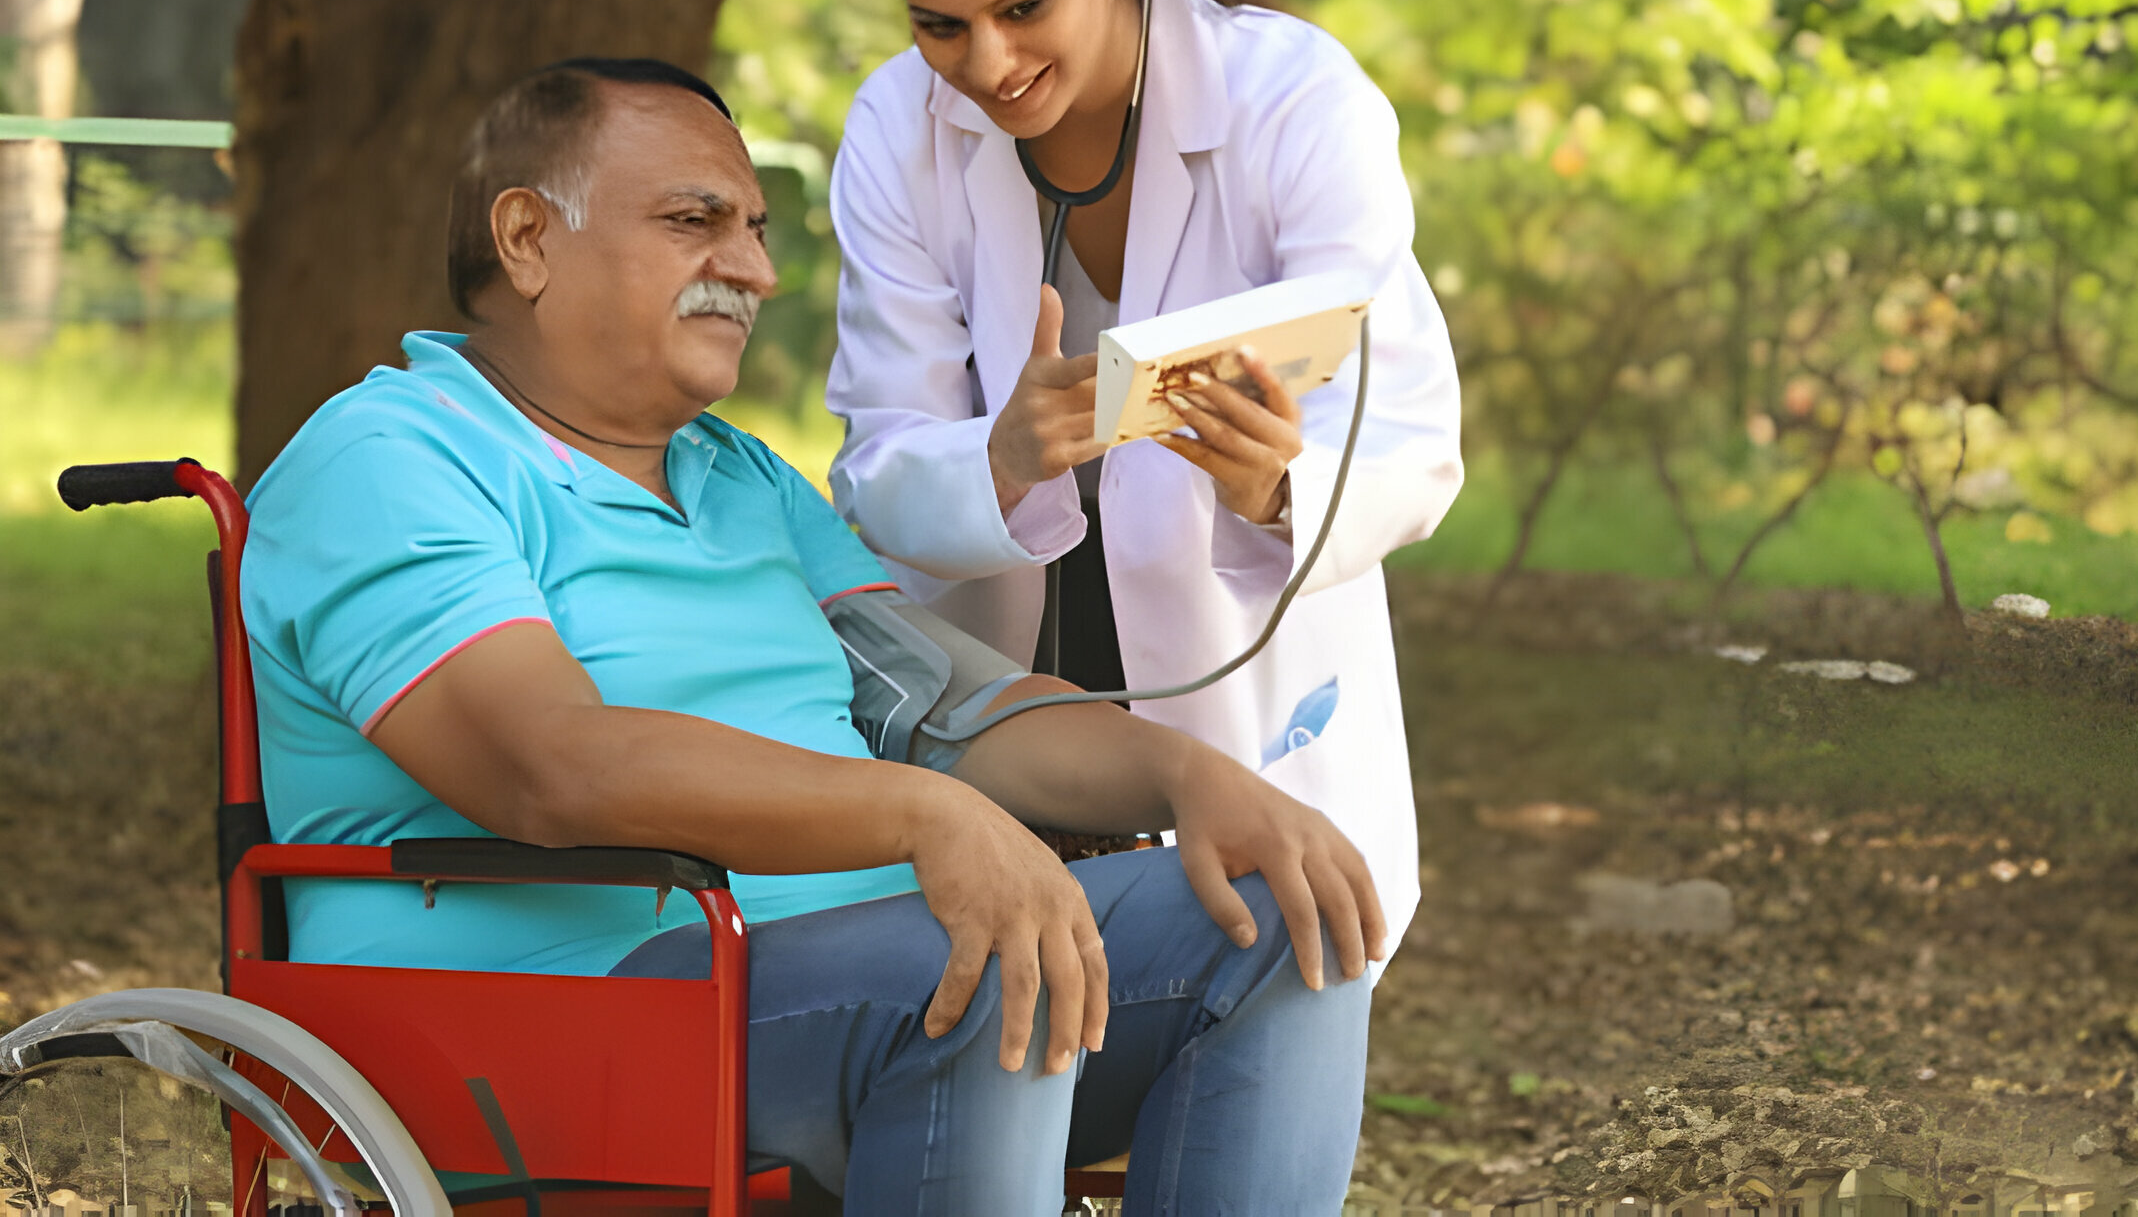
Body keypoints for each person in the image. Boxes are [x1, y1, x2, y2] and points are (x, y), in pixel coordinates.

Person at [240, 59, 1385, 1214]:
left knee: (1286, 909)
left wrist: (1196, 781)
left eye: (755, 230)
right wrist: (924, 818)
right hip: (535, 1013)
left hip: (828, 982)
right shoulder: (392, 457)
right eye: (696, 221)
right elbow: (550, 764)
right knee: (981, 960)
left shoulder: (736, 475)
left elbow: (945, 712)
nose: (754, 269)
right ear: (529, 239)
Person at [828, 0, 1464, 953]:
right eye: (938, 25)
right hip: (996, 690)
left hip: (1235, 673)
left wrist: (1279, 485)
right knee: (1003, 1036)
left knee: (1246, 1007)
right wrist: (1000, 457)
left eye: (1024, 10)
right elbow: (877, 461)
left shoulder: (1292, 101)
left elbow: (1412, 433)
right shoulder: (895, 132)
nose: (987, 67)